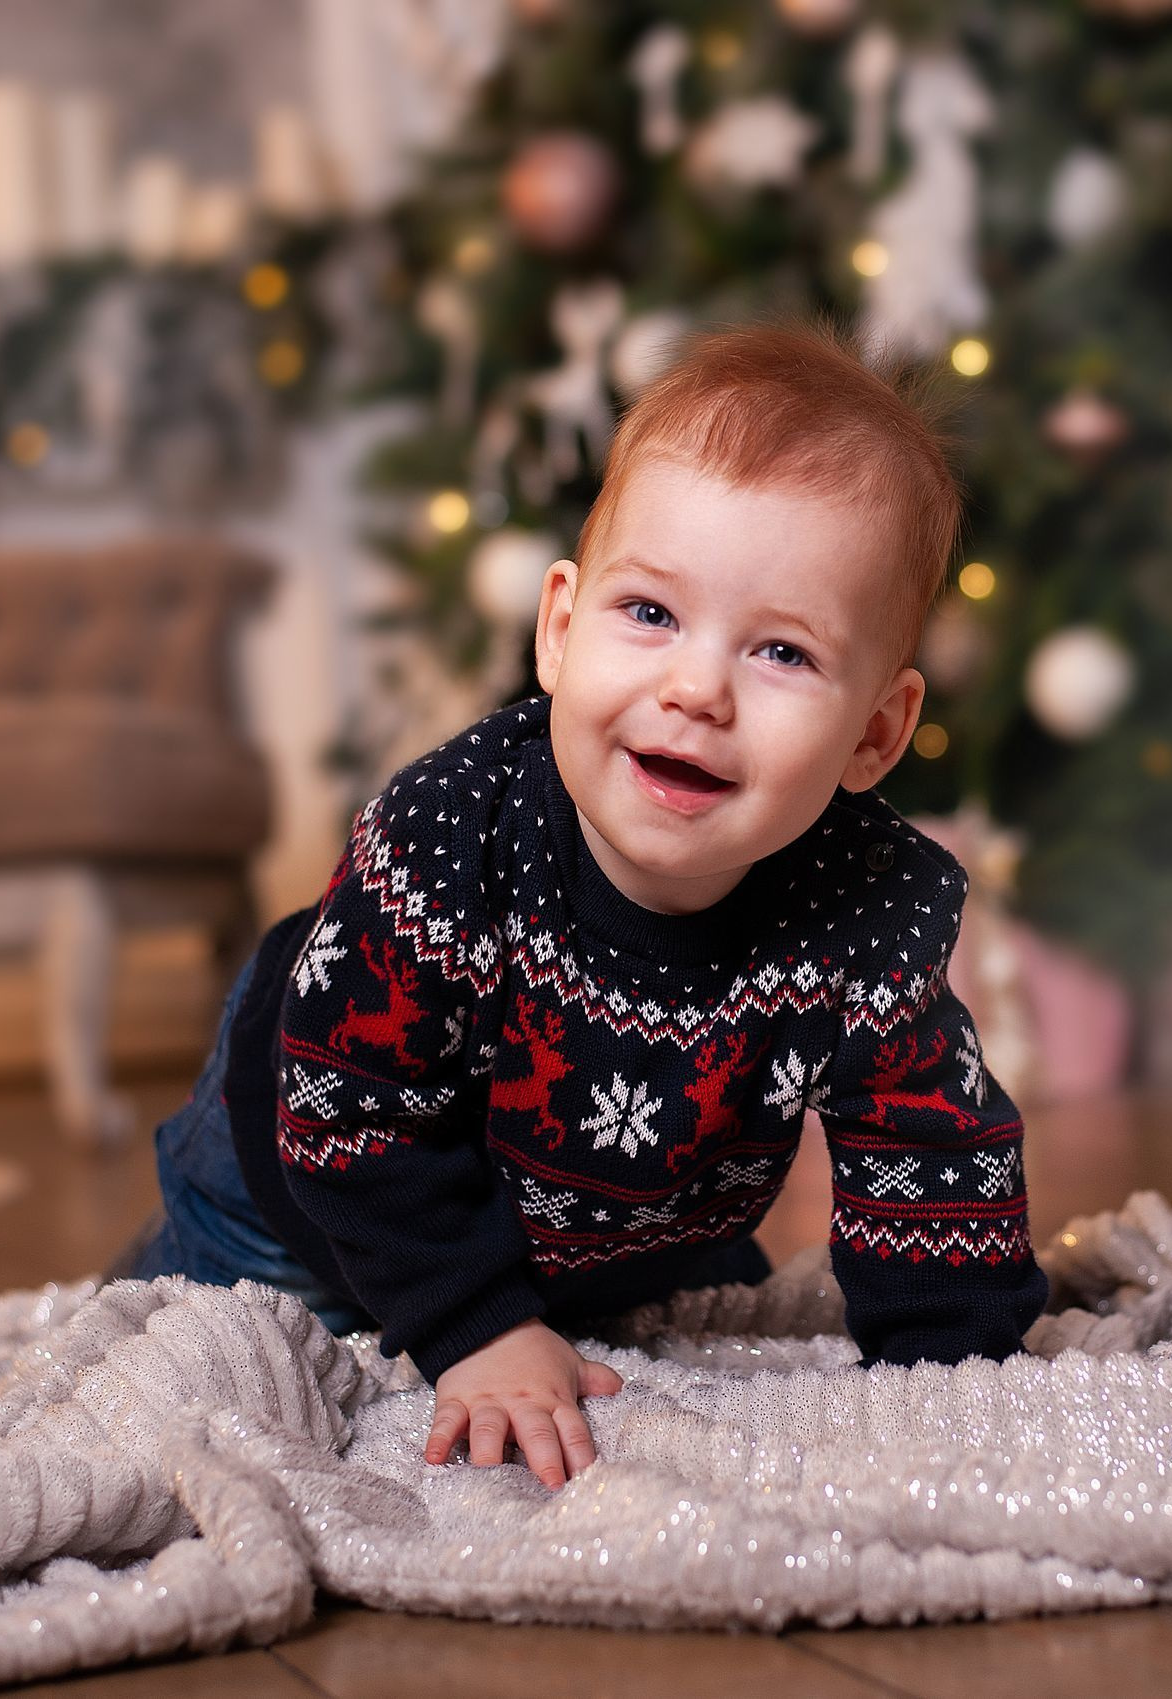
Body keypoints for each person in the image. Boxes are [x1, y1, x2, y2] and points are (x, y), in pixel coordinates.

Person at [119, 315, 1049, 1491]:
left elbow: (932, 1147)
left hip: (623, 1197)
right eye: (650, 615)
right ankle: (204, 1274)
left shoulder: (863, 916)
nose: (696, 688)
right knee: (192, 1373)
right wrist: (478, 1324)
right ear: (559, 627)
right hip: (305, 1155)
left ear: (875, 732)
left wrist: (955, 1377)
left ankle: (559, 1270)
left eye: (782, 654)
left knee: (678, 1332)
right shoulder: (446, 838)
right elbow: (353, 1110)